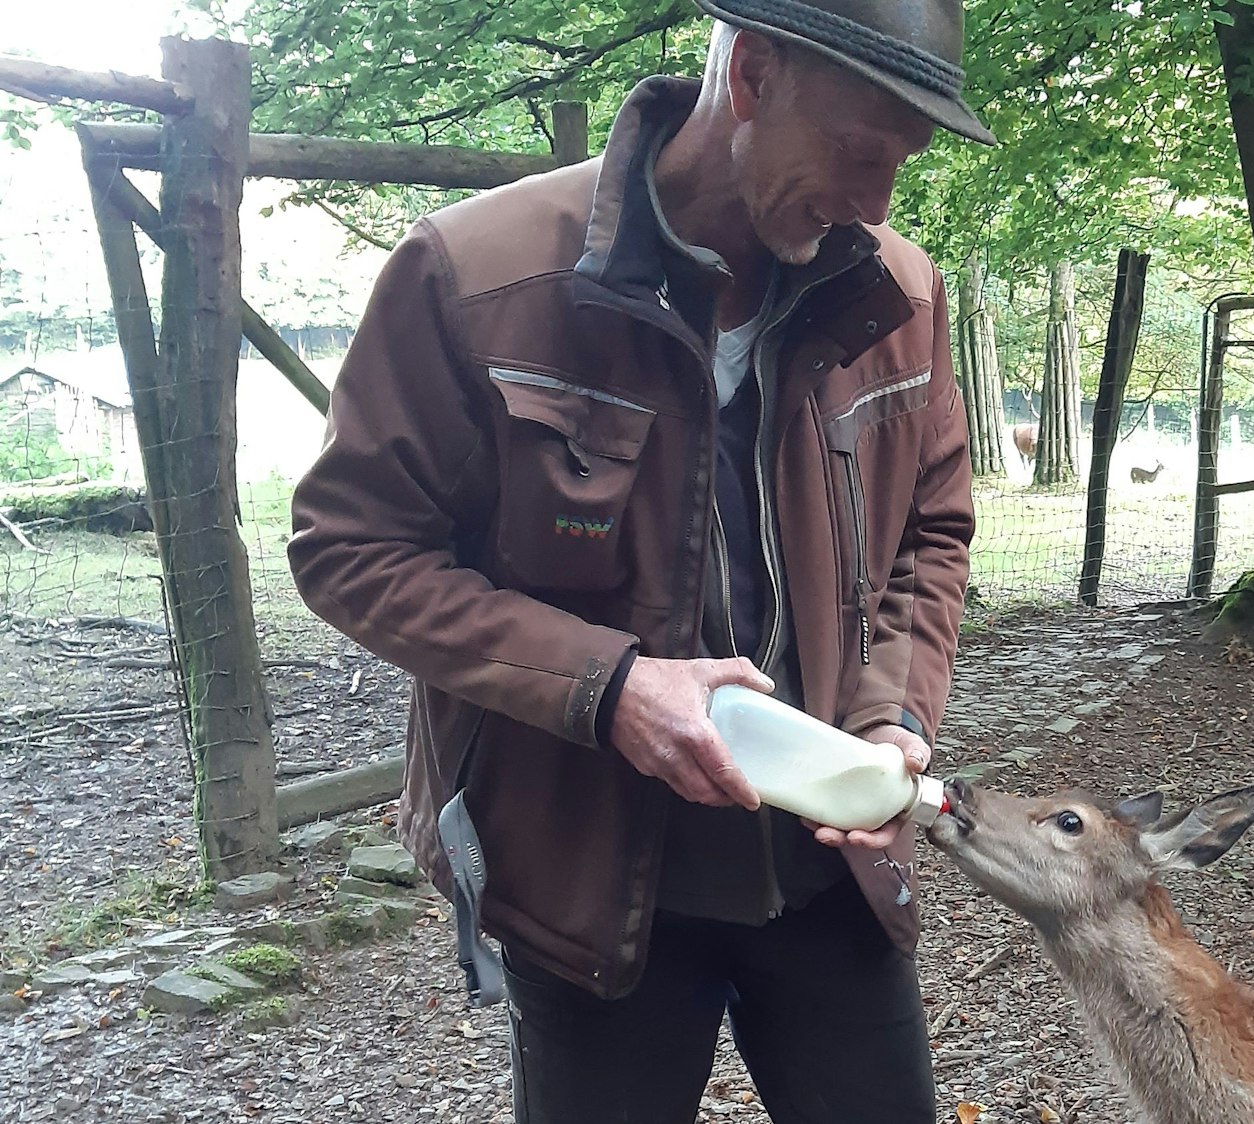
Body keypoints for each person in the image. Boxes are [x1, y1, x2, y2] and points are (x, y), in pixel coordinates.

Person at [287, 0, 991, 1118]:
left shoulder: (896, 295)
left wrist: (892, 717)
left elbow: (930, 530)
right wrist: (608, 686)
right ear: (751, 75)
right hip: (590, 881)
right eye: (860, 155)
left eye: (898, 166)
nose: (877, 204)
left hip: (826, 871)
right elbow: (351, 547)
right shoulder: (474, 278)